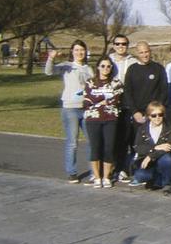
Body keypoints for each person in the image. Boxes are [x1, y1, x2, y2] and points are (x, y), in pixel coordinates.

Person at [45, 40, 94, 183]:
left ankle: (94, 170)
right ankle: (71, 172)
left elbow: (91, 89)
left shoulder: (88, 69)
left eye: (82, 50)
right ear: (72, 52)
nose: (80, 53)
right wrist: (51, 58)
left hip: (85, 109)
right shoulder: (67, 66)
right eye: (77, 50)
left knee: (92, 141)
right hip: (70, 108)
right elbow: (49, 71)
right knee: (72, 142)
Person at [121, 41, 168, 182]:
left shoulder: (158, 68)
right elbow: (127, 92)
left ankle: (156, 168)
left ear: (150, 51)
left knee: (155, 142)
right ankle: (135, 169)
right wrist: (135, 112)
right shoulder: (132, 69)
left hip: (154, 114)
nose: (144, 54)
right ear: (137, 54)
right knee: (138, 144)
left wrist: (154, 113)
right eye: (141, 52)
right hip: (137, 115)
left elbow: (163, 91)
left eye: (146, 51)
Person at [83, 56, 124, 188]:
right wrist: (103, 100)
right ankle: (97, 177)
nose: (105, 68)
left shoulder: (116, 83)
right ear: (98, 67)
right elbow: (87, 102)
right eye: (103, 66)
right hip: (93, 119)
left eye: (108, 66)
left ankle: (106, 177)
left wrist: (99, 101)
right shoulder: (90, 82)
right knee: (95, 148)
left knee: (109, 148)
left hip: (110, 119)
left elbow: (115, 99)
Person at [130, 101, 171, 191]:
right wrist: (154, 148)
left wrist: (151, 156)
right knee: (140, 176)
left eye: (160, 114)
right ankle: (157, 180)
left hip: (162, 159)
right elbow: (137, 147)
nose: (157, 118)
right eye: (154, 115)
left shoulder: (169, 128)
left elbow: (169, 147)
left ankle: (167, 183)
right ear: (148, 116)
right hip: (146, 162)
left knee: (167, 159)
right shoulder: (142, 129)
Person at [108, 34, 136, 182]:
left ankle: (123, 169)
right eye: (118, 44)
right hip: (111, 104)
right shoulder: (108, 60)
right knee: (112, 139)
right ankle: (111, 168)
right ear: (113, 45)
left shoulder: (132, 61)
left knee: (125, 139)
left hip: (127, 103)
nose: (121, 46)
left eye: (124, 44)